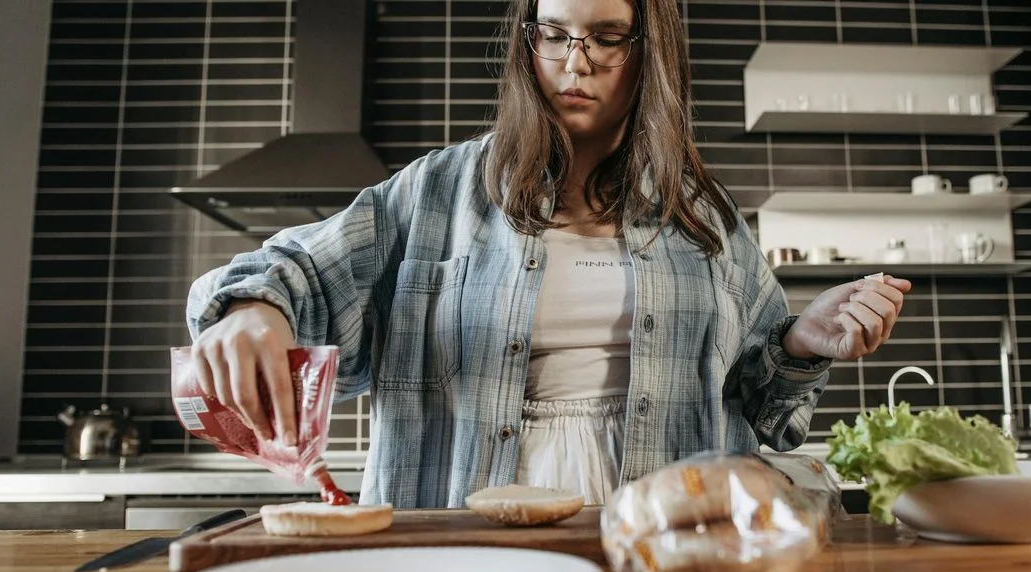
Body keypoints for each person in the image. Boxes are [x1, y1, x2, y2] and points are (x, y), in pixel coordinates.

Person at [184, 0, 912, 509]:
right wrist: (254, 308)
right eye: (554, 34)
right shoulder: (435, 191)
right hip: (460, 539)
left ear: (646, 50)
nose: (576, 62)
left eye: (606, 36)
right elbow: (297, 273)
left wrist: (800, 343)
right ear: (527, 41)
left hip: (660, 537)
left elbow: (763, 411)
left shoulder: (707, 220)